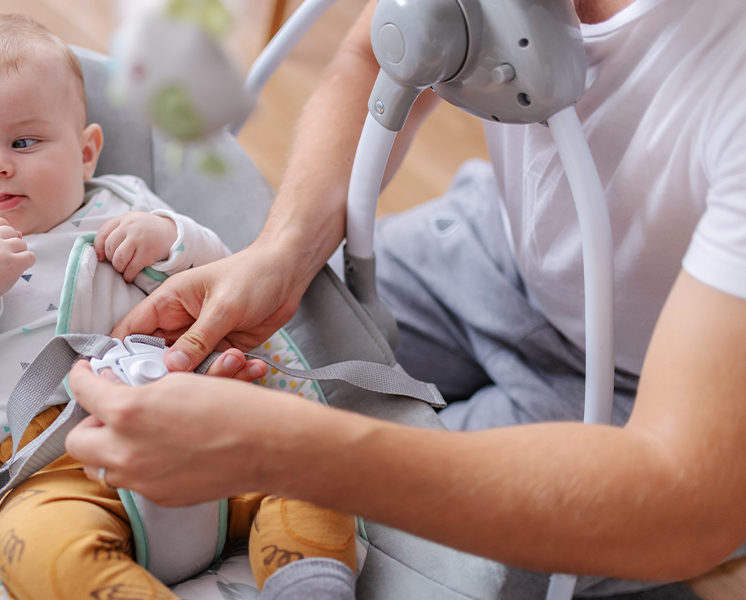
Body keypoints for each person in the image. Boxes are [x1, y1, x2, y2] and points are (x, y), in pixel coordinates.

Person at [65, 0, 746, 596]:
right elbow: (378, 50)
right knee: (269, 349)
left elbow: (686, 500)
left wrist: (283, 453)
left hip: (667, 394)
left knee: (398, 552)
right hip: (492, 245)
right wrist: (283, 252)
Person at [0, 14, 361, 600]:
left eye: (23, 142)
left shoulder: (124, 203)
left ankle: (304, 581)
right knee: (29, 543)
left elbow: (225, 279)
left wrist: (170, 237)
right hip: (57, 466)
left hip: (198, 432)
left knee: (310, 461)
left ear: (85, 153)